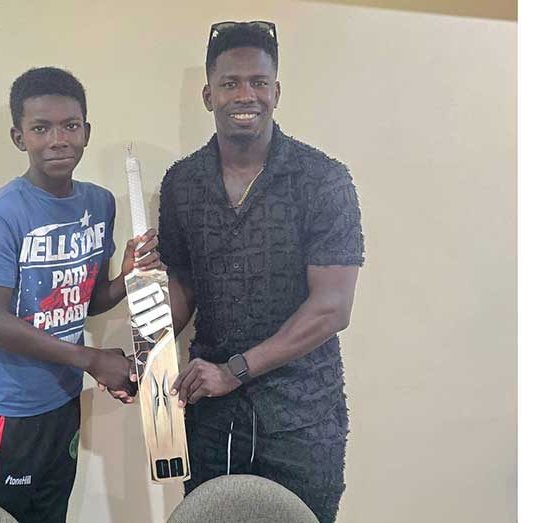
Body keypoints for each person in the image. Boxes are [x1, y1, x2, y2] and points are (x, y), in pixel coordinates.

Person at [158, 22, 365, 523]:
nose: (244, 95)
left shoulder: (323, 180)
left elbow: (332, 307)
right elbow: (183, 283)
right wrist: (149, 358)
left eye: (257, 82)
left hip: (302, 416)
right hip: (210, 417)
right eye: (230, 83)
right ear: (209, 95)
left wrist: (238, 370)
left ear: (276, 92)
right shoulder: (182, 183)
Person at [0, 66, 158, 523]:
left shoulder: (99, 203)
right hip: (2, 410)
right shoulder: (1, 215)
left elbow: (86, 301)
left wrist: (127, 276)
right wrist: (92, 361)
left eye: (70, 125)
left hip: (61, 401)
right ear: (18, 137)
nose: (58, 139)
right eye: (40, 128)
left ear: (87, 131)